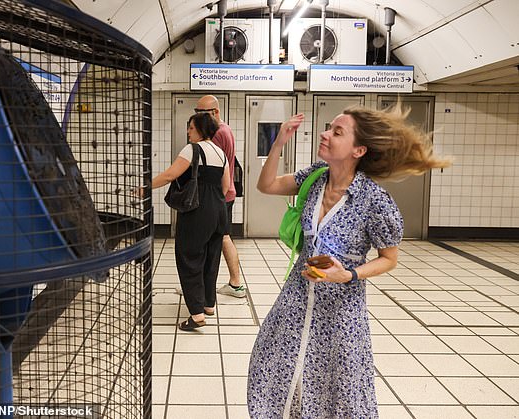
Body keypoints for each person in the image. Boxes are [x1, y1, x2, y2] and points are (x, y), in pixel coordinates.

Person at [247, 104, 451, 417]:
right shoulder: (314, 178)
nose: (325, 134)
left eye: (336, 132)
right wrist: (278, 143)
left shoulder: (374, 201)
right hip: (296, 300)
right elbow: (267, 185)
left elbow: (389, 259)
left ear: (358, 150)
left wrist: (350, 275)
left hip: (341, 315)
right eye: (329, 128)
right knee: (281, 371)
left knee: (338, 388)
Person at [151, 112, 230, 330]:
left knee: (189, 257)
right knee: (211, 258)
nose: (188, 131)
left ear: (201, 130)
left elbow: (169, 175)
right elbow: (226, 186)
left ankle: (196, 315)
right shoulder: (221, 153)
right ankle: (207, 304)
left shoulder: (192, 150)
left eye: (191, 128)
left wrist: (144, 187)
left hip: (197, 211)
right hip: (219, 210)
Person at [195, 95, 246, 298]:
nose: (198, 118)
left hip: (217, 196)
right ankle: (234, 283)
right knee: (224, 237)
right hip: (226, 194)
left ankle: (201, 287)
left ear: (215, 112)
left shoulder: (215, 134)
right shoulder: (226, 129)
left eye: (202, 114)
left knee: (213, 240)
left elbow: (208, 168)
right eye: (196, 112)